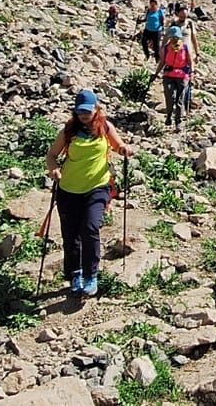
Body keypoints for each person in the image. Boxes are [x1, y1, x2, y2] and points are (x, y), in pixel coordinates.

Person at [45, 90, 133, 297]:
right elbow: (52, 155)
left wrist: (124, 150)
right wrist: (53, 169)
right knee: (71, 234)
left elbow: (118, 145)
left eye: (87, 111)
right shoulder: (69, 130)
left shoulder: (105, 127)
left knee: (91, 227)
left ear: (96, 109)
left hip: (98, 186)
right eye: (80, 111)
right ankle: (75, 274)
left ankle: (91, 275)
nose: (84, 115)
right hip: (68, 188)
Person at [153, 27, 194, 129]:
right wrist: (156, 73)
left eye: (176, 37)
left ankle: (178, 121)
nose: (174, 39)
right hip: (168, 75)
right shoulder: (166, 48)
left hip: (182, 76)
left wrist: (192, 73)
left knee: (180, 100)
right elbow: (162, 62)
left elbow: (190, 61)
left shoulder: (185, 47)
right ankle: (169, 115)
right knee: (169, 97)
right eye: (172, 37)